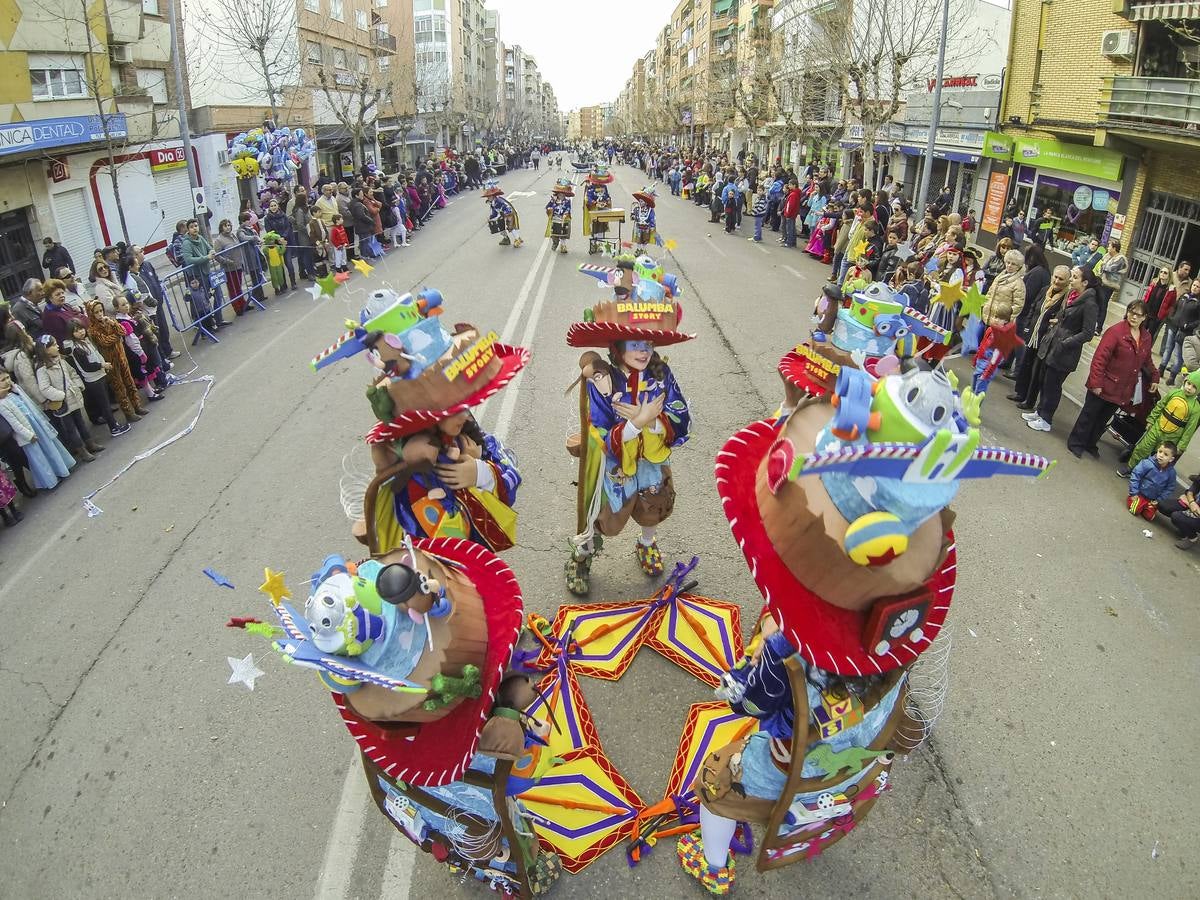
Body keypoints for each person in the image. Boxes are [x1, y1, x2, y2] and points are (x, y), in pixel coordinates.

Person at [564, 275, 692, 595]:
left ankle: (646, 544)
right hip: (612, 466)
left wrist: (652, 421)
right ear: (618, 346)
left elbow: (682, 415)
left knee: (655, 504)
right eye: (635, 343)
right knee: (601, 517)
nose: (643, 351)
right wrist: (635, 423)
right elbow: (599, 432)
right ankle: (580, 558)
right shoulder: (602, 381)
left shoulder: (661, 373)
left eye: (647, 344)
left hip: (650, 460)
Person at [1066, 300, 1157, 458]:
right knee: (1089, 416)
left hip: (1122, 389)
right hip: (1104, 384)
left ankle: (1090, 443)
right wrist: (1096, 382)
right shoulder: (1116, 332)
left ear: (1145, 317)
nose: (1133, 316)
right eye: (1131, 312)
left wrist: (1155, 377)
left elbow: (1147, 360)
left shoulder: (1146, 337)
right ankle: (1076, 443)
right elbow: (1100, 359)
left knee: (1102, 419)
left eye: (1138, 314)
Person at [1024, 265, 1100, 432]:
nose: (1071, 280)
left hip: (1065, 352)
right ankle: (1039, 412)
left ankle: (1046, 419)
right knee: (1044, 381)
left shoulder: (1090, 304)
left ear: (1085, 282)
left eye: (1074, 277)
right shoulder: (1072, 296)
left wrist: (1066, 341)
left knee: (1053, 386)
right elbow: (1064, 317)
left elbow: (1087, 333)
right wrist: (1057, 322)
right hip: (1053, 344)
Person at [0, 370, 74, 489]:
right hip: (26, 432)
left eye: (7, 378)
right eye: (2, 380)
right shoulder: (2, 403)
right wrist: (28, 435)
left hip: (36, 424)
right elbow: (14, 423)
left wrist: (15, 389)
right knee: (39, 457)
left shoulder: (15, 390)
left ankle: (61, 468)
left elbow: (30, 405)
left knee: (49, 447)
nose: (7, 381)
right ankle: (50, 481)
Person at [1118, 370, 1200, 476]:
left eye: (1194, 387)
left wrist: (1181, 446)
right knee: (1142, 448)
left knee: (1160, 458)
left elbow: (1189, 429)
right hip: (1157, 428)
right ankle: (1131, 467)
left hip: (1172, 437)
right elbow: (1160, 406)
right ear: (1185, 382)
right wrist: (1151, 420)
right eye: (1188, 383)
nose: (1189, 388)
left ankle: (1146, 476)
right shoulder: (1173, 393)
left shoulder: (1196, 408)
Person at [34, 333, 99, 462]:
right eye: (53, 345)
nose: (57, 346)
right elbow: (45, 388)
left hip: (73, 396)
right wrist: (61, 395)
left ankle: (90, 443)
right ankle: (82, 451)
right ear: (45, 349)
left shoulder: (61, 360)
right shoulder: (42, 369)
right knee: (70, 428)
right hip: (62, 402)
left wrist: (78, 385)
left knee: (80, 421)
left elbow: (72, 373)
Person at [64, 320, 129, 437]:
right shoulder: (76, 348)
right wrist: (102, 365)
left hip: (100, 375)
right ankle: (114, 428)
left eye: (81, 329)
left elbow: (96, 355)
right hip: (93, 380)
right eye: (76, 331)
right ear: (71, 334)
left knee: (106, 403)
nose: (80, 332)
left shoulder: (85, 341)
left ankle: (114, 425)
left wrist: (103, 365)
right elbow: (87, 367)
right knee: (105, 405)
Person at [972, 299, 1021, 395]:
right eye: (995, 317)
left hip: (987, 366)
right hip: (980, 362)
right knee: (974, 384)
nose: (996, 320)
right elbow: (982, 345)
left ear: (1006, 321)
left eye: (1000, 319)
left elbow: (996, 359)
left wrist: (987, 373)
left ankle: (975, 406)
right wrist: (976, 358)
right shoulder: (990, 329)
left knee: (979, 390)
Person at [1159, 278, 1200, 384]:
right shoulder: (1183, 296)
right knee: (1168, 349)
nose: (1195, 287)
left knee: (1178, 354)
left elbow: (1198, 320)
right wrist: (1171, 317)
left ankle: (1172, 376)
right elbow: (1174, 307)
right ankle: (1161, 369)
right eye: (1194, 285)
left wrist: (1189, 326)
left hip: (1184, 332)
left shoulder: (1198, 303)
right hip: (1173, 327)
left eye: (1198, 286)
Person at [1127, 441, 1178, 520]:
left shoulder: (1171, 473)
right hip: (1140, 494)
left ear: (1171, 459)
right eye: (1160, 451)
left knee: (1149, 517)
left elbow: (1169, 488)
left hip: (1152, 499)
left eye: (1165, 454)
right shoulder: (1147, 463)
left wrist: (1159, 500)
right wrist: (1134, 492)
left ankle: (1146, 507)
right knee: (1135, 510)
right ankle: (1133, 500)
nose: (1161, 455)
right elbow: (1136, 475)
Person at [212, 219, 246, 314]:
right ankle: (237, 307)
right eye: (225, 225)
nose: (228, 227)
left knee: (238, 286)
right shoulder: (219, 240)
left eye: (229, 225)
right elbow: (217, 255)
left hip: (238, 265)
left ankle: (242, 304)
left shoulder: (233, 235)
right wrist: (228, 262)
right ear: (221, 227)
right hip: (229, 269)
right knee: (232, 288)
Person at [39, 278, 86, 345]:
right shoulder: (50, 317)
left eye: (62, 293)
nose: (62, 296)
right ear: (49, 298)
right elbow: (63, 339)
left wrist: (80, 310)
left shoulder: (64, 305)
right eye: (58, 294)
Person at [1095, 238, 1128, 322]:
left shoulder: (1121, 259)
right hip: (1101, 282)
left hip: (1109, 285)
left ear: (1114, 248)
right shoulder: (1108, 255)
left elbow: (1109, 268)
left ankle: (1099, 327)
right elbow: (1100, 265)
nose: (1108, 248)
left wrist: (1103, 264)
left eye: (1109, 246)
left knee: (1103, 305)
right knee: (1096, 303)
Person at [1165, 471, 1200, 550]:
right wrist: (1192, 502)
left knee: (1177, 517)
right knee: (1163, 506)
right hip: (1193, 505)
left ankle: (1192, 538)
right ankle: (1185, 529)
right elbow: (1190, 491)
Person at [483, 181, 522, 248]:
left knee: (511, 227)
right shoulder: (492, 202)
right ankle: (506, 239)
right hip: (503, 214)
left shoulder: (499, 201)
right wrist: (491, 218)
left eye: (489, 196)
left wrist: (506, 216)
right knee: (499, 225)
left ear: (493, 195)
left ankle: (518, 239)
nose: (488, 198)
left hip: (509, 213)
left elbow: (507, 208)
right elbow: (494, 212)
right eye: (487, 196)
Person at [1142, 266, 1176, 340]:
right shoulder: (1154, 283)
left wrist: (1164, 314)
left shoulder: (1171, 289)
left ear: (1169, 275)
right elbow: (1146, 296)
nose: (1162, 274)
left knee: (1149, 337)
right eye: (1161, 272)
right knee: (1140, 332)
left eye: (1165, 272)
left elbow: (1172, 305)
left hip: (1156, 317)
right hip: (1146, 313)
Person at [545, 178, 573, 254]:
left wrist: (565, 214)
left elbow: (568, 208)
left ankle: (563, 246)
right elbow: (547, 207)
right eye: (559, 193)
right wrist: (549, 209)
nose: (561, 195)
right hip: (555, 219)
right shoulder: (553, 200)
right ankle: (555, 243)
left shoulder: (567, 201)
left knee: (563, 234)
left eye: (563, 193)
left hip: (564, 219)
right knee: (554, 234)